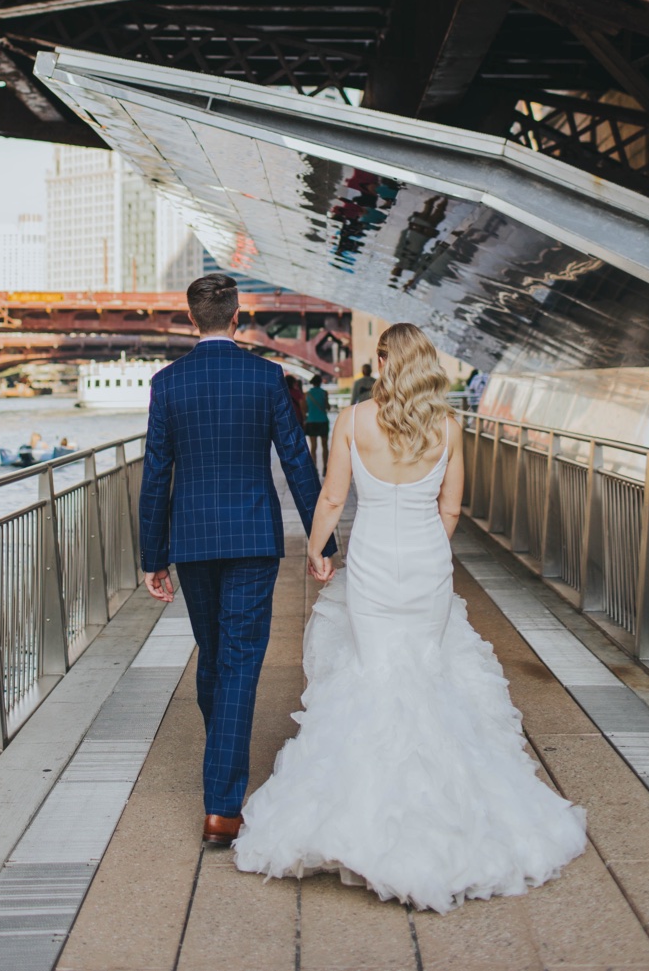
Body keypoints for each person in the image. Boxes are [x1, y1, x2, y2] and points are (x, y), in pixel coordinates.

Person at [233, 322, 586, 911]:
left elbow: (334, 499)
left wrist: (319, 550)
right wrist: (425, 542)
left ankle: (365, 822)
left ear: (383, 362)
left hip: (371, 562)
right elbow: (452, 509)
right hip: (426, 563)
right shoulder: (448, 427)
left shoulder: (354, 422)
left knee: (375, 672)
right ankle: (451, 820)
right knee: (426, 672)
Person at [139, 273, 335, 848]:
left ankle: (222, 800)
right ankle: (223, 800)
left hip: (192, 539)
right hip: (253, 536)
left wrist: (154, 555)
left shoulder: (167, 384)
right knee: (239, 660)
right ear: (237, 313)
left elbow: (156, 475)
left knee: (218, 655)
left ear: (192, 316)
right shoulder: (265, 376)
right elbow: (298, 462)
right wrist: (321, 541)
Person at [304, 369, 331, 468]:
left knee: (313, 447)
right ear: (320, 382)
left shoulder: (307, 394)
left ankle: (314, 467)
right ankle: (325, 467)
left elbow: (306, 408)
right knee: (325, 446)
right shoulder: (324, 393)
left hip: (311, 421)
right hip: (323, 421)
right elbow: (327, 407)